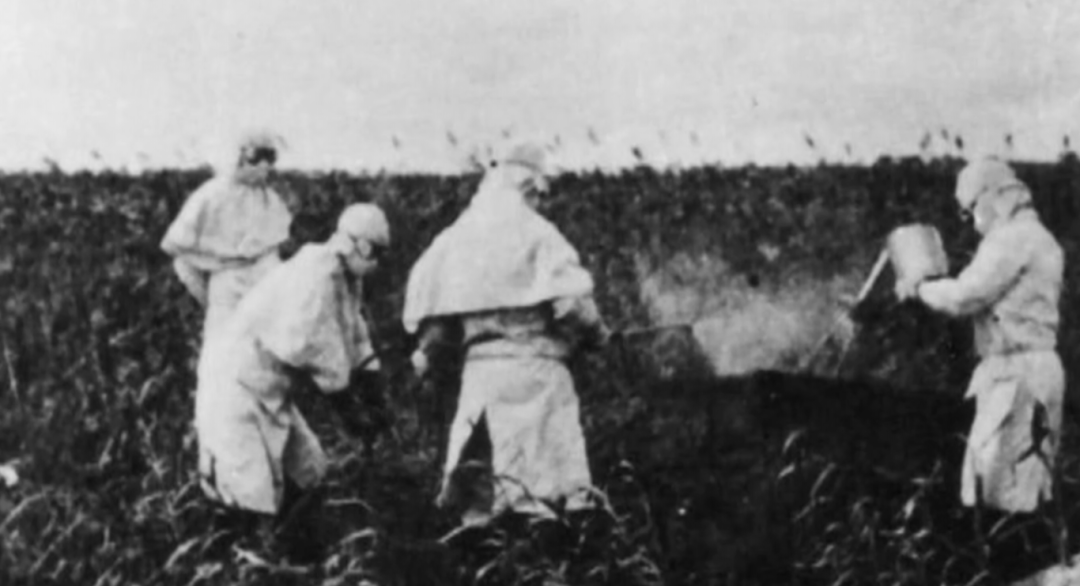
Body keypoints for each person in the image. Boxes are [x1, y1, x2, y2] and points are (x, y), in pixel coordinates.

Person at [403, 142, 609, 524]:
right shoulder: (539, 234)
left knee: (484, 487)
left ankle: (489, 549)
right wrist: (599, 336)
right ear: (529, 186)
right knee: (550, 488)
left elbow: (436, 325)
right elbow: (572, 307)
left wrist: (430, 361)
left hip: (481, 379)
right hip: (538, 374)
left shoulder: (455, 238)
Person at [195, 203, 389, 557]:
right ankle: (239, 562)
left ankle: (294, 556)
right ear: (356, 245)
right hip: (235, 388)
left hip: (270, 392)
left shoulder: (346, 280)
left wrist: (377, 397)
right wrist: (353, 415)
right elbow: (320, 351)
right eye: (373, 252)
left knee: (311, 471)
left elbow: (356, 337)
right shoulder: (316, 274)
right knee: (250, 495)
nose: (377, 262)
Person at [896, 157, 1064, 513]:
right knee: (1030, 483)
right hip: (1038, 369)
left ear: (990, 196)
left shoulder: (1010, 239)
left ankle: (1007, 547)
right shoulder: (1042, 239)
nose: (971, 220)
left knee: (995, 487)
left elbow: (965, 296)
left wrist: (919, 288)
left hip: (1015, 374)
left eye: (969, 209)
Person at [161, 130, 293, 339]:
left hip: (263, 284)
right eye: (256, 158)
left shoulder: (269, 199)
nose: (264, 166)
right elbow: (179, 251)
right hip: (226, 288)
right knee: (224, 344)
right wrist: (208, 289)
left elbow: (272, 250)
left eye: (269, 159)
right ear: (238, 158)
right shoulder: (211, 194)